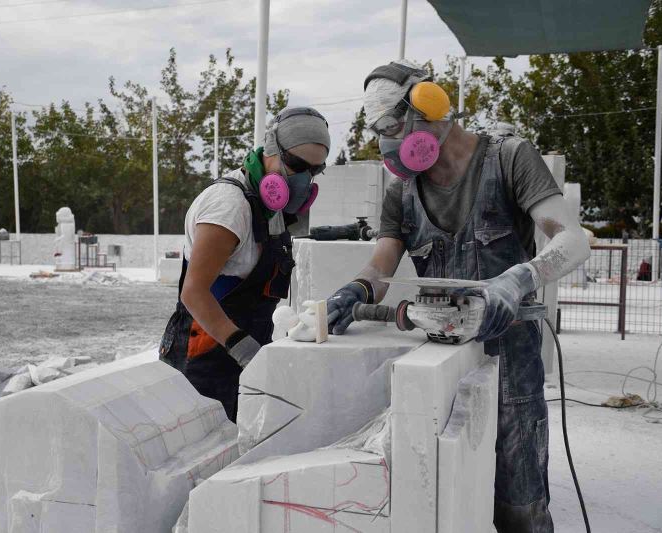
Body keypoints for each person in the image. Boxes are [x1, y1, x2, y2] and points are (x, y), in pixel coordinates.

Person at [325, 61, 590, 533]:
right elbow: (381, 265)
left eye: (391, 128)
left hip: (511, 362)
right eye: (379, 131)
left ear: (428, 109)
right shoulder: (403, 191)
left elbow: (572, 240)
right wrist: (356, 290)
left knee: (520, 506)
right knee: (445, 502)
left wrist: (518, 279)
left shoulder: (509, 159)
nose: (387, 143)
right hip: (442, 364)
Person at [159, 107, 330, 422]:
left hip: (242, 358)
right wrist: (244, 349)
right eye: (297, 166)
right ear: (271, 152)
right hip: (203, 361)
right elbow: (193, 292)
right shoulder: (229, 206)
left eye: (315, 171)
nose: (305, 180)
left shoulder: (269, 210)